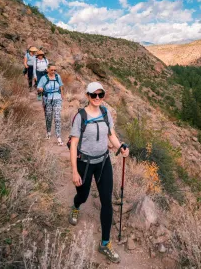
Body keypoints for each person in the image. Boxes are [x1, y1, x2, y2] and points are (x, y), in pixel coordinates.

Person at [68, 82, 129, 264]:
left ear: (103, 96)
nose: (97, 98)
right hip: (84, 163)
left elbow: (111, 135)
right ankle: (76, 206)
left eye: (100, 95)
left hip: (103, 162)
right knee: (83, 195)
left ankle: (104, 243)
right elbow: (73, 145)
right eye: (93, 95)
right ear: (87, 95)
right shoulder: (80, 116)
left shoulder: (105, 113)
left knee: (107, 202)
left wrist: (121, 147)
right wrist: (74, 171)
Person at [37, 64, 64, 145]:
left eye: (54, 70)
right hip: (47, 98)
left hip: (57, 98)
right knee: (48, 117)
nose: (53, 71)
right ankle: (48, 132)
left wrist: (62, 96)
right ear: (47, 70)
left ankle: (59, 137)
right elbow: (39, 88)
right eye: (51, 70)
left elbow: (61, 86)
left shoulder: (57, 76)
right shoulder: (44, 78)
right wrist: (40, 89)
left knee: (57, 117)